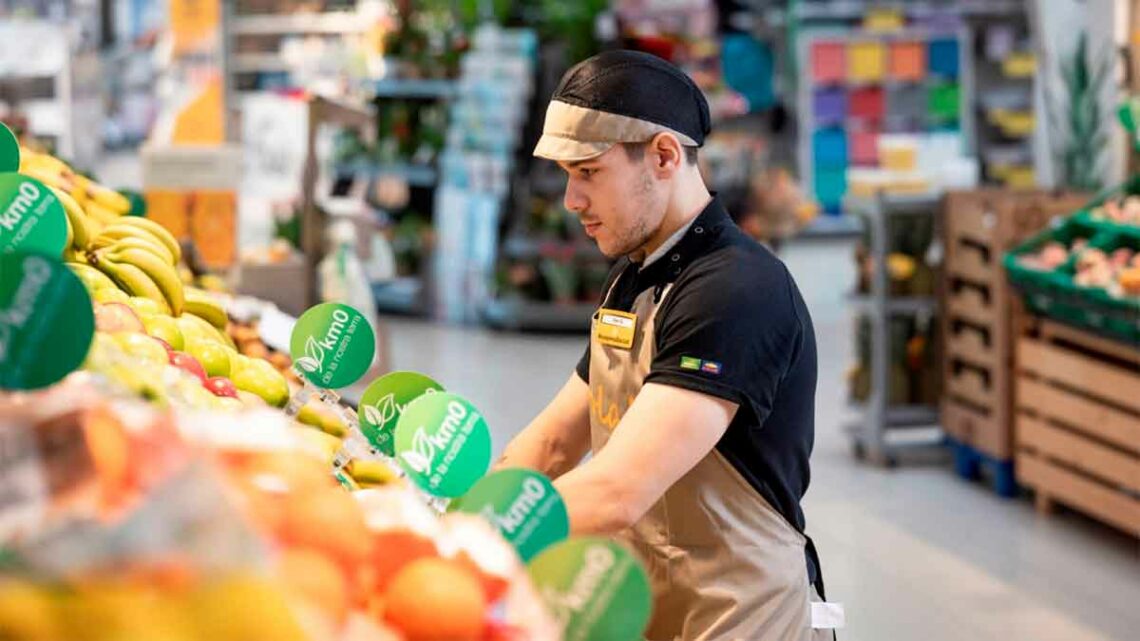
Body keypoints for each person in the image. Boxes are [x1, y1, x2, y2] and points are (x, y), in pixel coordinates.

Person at [497, 50, 832, 640]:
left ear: (663, 156)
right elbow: (553, 440)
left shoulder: (737, 290)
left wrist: (482, 539)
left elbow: (618, 490)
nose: (571, 201)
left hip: (738, 616)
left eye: (589, 173)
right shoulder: (634, 276)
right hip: (652, 607)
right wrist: (466, 507)